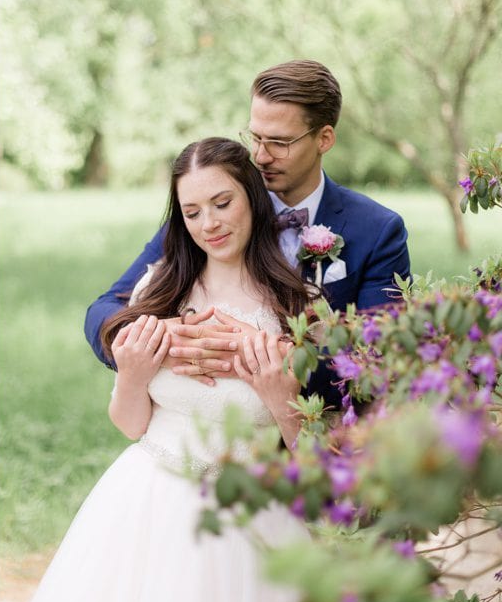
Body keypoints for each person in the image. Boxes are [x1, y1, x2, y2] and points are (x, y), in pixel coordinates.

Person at [28, 138, 313, 602]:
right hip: (149, 500)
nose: (210, 224)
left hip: (252, 512)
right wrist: (133, 372)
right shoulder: (159, 289)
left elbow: (311, 457)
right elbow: (130, 424)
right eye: (193, 211)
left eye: (222, 203)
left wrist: (280, 393)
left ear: (252, 197)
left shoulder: (294, 303)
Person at [85, 60, 411, 403]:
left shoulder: (377, 231)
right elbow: (104, 310)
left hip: (313, 441)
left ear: (324, 138)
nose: (260, 156)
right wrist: (155, 343)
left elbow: (379, 364)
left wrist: (265, 358)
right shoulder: (212, 209)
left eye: (279, 142)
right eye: (255, 137)